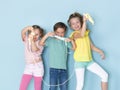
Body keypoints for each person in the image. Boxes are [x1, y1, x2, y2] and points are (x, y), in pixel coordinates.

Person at [67, 12, 108, 90]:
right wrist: (85, 21)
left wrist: (100, 52)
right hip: (79, 62)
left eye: (77, 22)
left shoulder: (86, 34)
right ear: (71, 26)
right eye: (73, 24)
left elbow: (92, 47)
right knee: (80, 85)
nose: (75, 25)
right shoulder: (74, 34)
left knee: (105, 75)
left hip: (89, 61)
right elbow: (81, 35)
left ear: (81, 22)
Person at [40, 22, 75, 90]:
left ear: (65, 32)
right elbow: (41, 43)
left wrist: (71, 40)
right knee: (52, 88)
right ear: (54, 32)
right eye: (57, 32)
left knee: (64, 88)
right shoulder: (51, 40)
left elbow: (74, 48)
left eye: (62, 32)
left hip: (63, 70)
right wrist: (47, 35)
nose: (60, 34)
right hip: (53, 69)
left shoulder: (65, 41)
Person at [19, 25, 44, 90]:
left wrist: (32, 40)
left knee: (37, 87)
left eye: (37, 34)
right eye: (33, 34)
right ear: (30, 34)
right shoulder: (27, 40)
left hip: (38, 66)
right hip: (28, 66)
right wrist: (28, 28)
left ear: (40, 35)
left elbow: (34, 49)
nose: (35, 36)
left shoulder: (40, 43)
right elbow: (22, 32)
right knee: (22, 86)